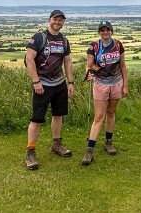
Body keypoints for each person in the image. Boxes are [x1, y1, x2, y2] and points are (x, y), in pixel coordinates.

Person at [24, 9, 75, 170]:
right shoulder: (39, 37)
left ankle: (56, 144)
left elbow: (67, 61)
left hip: (59, 84)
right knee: (37, 119)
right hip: (42, 84)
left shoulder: (64, 40)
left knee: (58, 114)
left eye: (61, 20)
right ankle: (30, 152)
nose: (58, 22)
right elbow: (29, 58)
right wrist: (35, 81)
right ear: (49, 20)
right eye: (55, 19)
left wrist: (71, 82)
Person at [81, 20, 129, 166]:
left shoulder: (118, 45)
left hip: (116, 83)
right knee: (99, 117)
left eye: (107, 29)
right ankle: (89, 149)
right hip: (101, 84)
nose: (105, 32)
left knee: (111, 113)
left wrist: (125, 85)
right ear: (99, 32)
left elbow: (123, 66)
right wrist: (93, 70)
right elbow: (89, 65)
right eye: (102, 30)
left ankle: (108, 142)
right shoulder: (94, 46)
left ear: (111, 31)